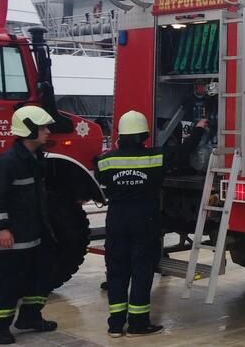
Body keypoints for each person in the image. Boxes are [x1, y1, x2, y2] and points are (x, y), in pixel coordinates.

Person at [96, 111, 207, 337]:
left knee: (117, 271)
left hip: (116, 218)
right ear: (144, 135)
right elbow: (182, 153)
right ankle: (138, 324)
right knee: (141, 270)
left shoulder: (105, 161)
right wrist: (198, 130)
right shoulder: (155, 158)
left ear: (121, 136)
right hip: (144, 217)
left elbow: (101, 180)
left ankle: (115, 325)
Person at [0, 106, 59, 345]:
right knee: (8, 281)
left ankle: (30, 317)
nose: (48, 131)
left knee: (38, 278)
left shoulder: (34, 158)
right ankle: (0, 328)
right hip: (14, 236)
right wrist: (2, 229)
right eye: (43, 128)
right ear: (28, 130)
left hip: (34, 232)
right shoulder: (8, 161)